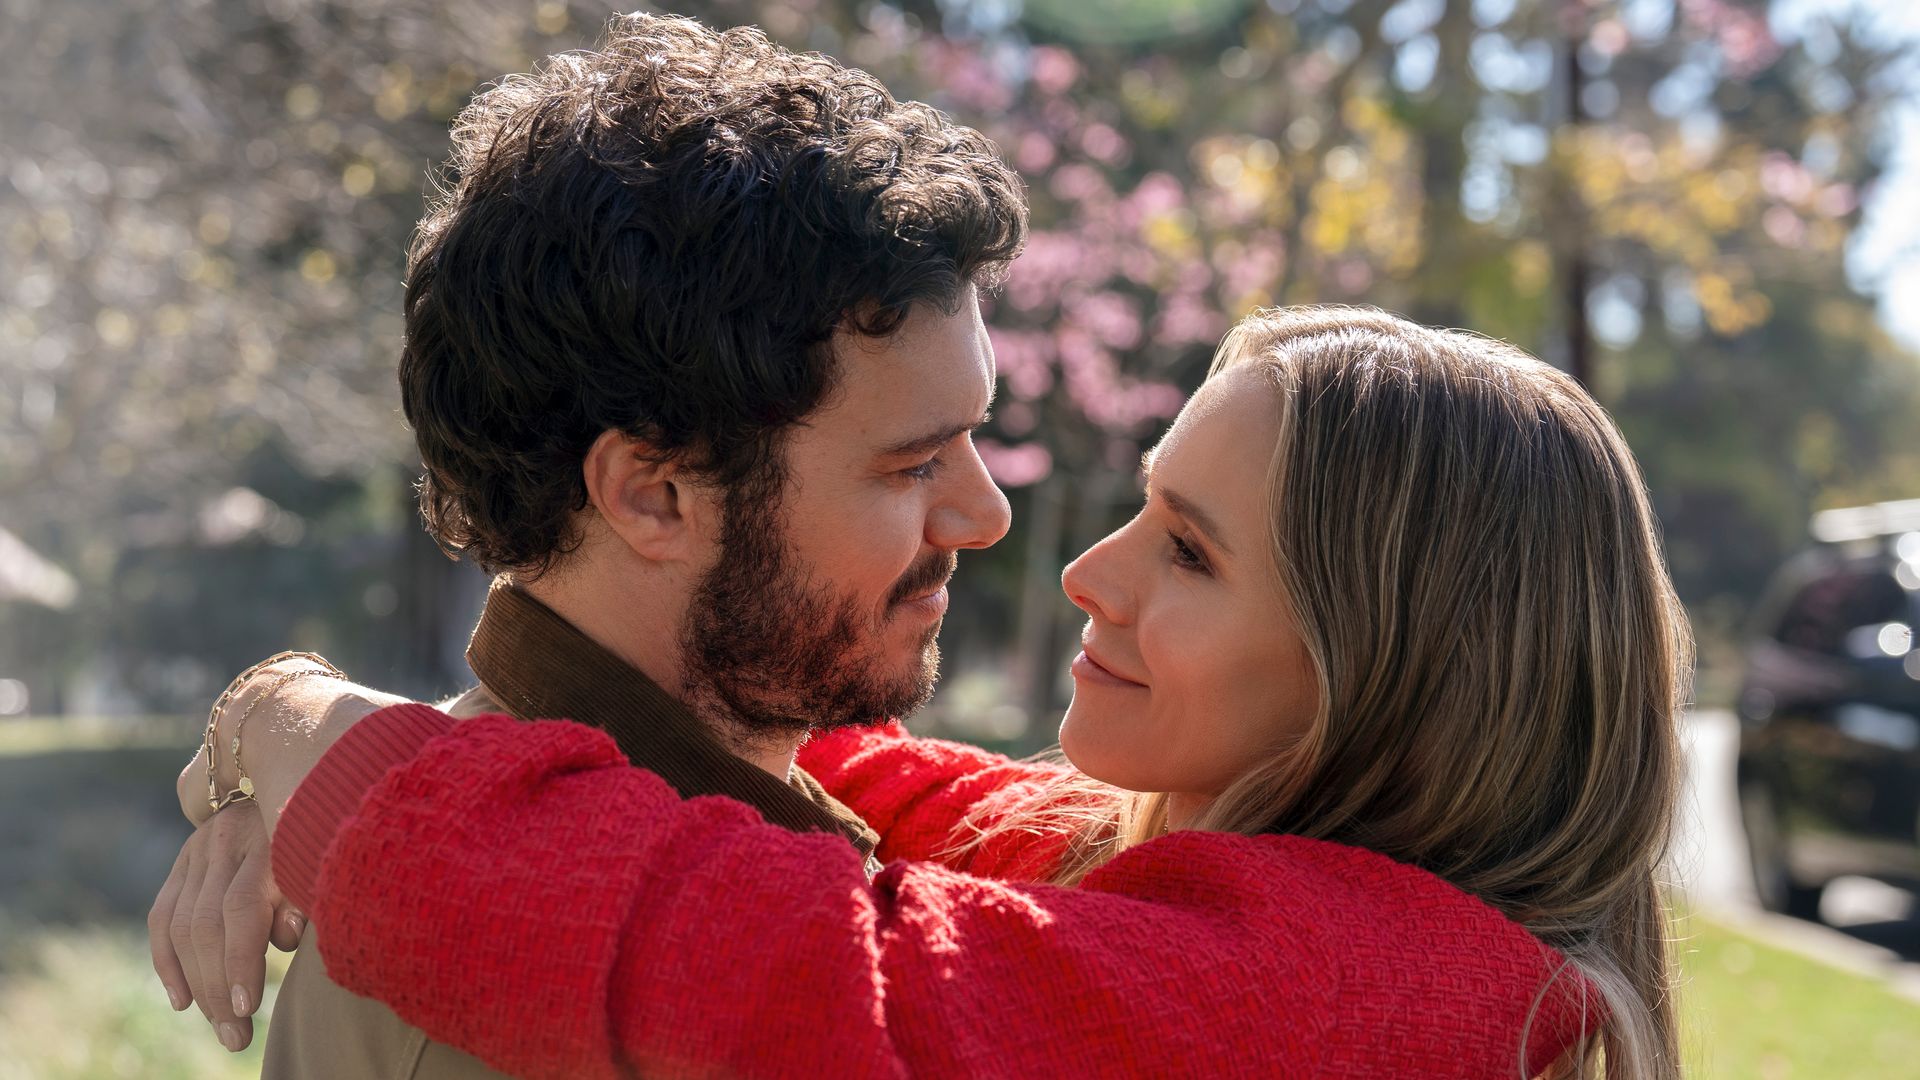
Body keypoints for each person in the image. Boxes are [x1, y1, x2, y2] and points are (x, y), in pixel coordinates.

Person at [174, 307, 1691, 1079]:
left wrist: (316, 741)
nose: (1083, 567)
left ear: (1398, 680)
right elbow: (929, 795)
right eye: (1142, 505)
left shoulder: (1346, 1002)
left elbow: (773, 963)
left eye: (1191, 552)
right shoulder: (1260, 898)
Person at [144, 13, 1025, 1075]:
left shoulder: (570, 866)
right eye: (913, 464)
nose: (987, 516)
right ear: (652, 495)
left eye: (974, 438)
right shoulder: (527, 989)